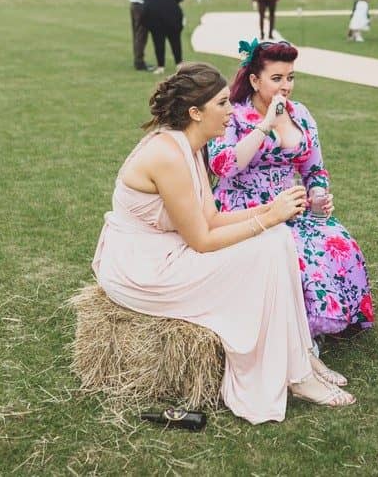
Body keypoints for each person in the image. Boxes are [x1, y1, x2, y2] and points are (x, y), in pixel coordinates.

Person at [92, 62, 355, 424]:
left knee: (278, 238)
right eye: (222, 103)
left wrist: (271, 211)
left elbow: (212, 218)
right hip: (144, 268)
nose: (232, 110)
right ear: (195, 113)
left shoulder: (190, 145)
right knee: (268, 245)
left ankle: (301, 360)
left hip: (167, 250)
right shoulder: (168, 155)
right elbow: (202, 240)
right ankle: (297, 374)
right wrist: (270, 217)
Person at [208, 39, 374, 339]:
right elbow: (223, 166)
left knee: (338, 241)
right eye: (277, 79)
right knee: (294, 254)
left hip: (292, 205)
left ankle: (336, 319)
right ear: (254, 80)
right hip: (243, 209)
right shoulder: (233, 115)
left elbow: (315, 169)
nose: (286, 86)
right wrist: (266, 124)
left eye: (290, 77)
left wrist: (318, 196)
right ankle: (296, 326)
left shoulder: (301, 114)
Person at [141, 0, 185, 75]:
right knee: (175, 38)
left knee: (157, 39)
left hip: (153, 12)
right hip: (170, 12)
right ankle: (179, 63)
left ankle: (160, 66)